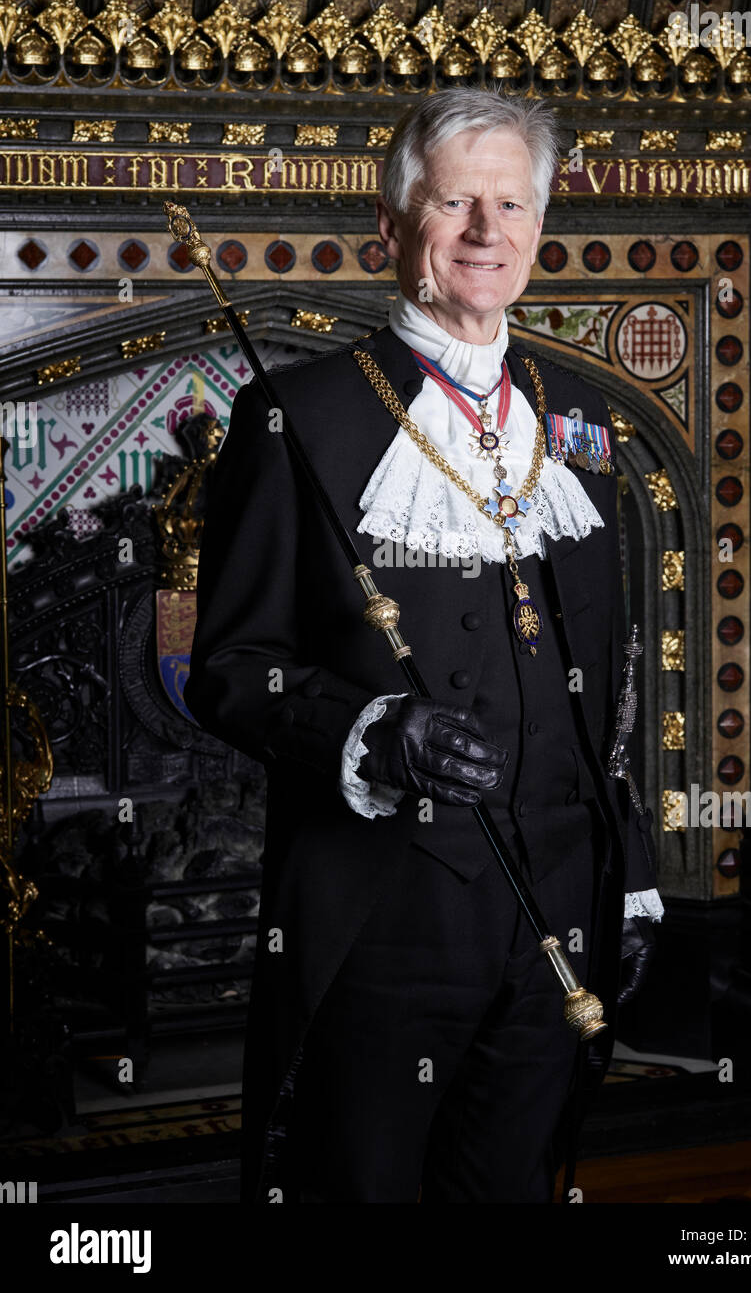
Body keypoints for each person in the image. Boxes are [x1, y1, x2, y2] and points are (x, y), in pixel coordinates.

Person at [183, 87, 662, 1204]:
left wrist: (628, 878)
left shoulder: (584, 422)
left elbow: (614, 690)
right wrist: (370, 731)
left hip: (560, 907)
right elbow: (224, 667)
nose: (487, 233)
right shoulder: (292, 414)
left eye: (511, 205)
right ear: (394, 228)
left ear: (538, 231)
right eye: (456, 203)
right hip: (385, 925)